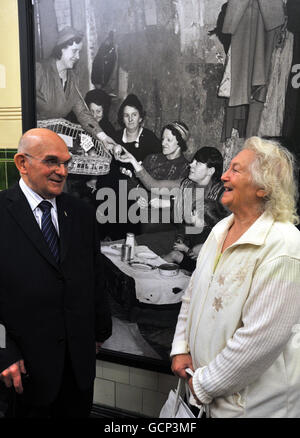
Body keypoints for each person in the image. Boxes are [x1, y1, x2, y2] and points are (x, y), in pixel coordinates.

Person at [171, 136, 300, 418]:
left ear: (264, 187)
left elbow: (260, 340)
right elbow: (192, 296)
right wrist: (181, 348)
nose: (224, 176)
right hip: (205, 397)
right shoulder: (220, 230)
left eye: (236, 170)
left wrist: (202, 384)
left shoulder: (285, 245)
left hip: (250, 409)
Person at [0, 128, 112, 418]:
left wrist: (100, 331)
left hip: (77, 374)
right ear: (22, 163)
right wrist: (4, 353)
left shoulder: (81, 213)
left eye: (66, 163)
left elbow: (95, 277)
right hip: (23, 374)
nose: (62, 171)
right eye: (52, 162)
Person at [35, 26, 116, 152]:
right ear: (61, 48)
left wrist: (104, 137)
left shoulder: (72, 78)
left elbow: (83, 113)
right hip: (35, 143)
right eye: (74, 51)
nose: (78, 56)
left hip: (56, 144)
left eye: (79, 52)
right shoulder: (40, 70)